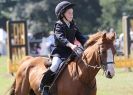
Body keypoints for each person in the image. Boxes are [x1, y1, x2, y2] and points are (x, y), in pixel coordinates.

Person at [39, 1, 87, 94]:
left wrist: (89, 44)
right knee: (55, 66)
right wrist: (71, 45)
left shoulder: (73, 24)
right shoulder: (58, 25)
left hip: (72, 52)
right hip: (60, 52)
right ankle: (44, 85)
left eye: (72, 13)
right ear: (62, 14)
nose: (71, 15)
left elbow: (80, 36)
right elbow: (61, 38)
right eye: (69, 13)